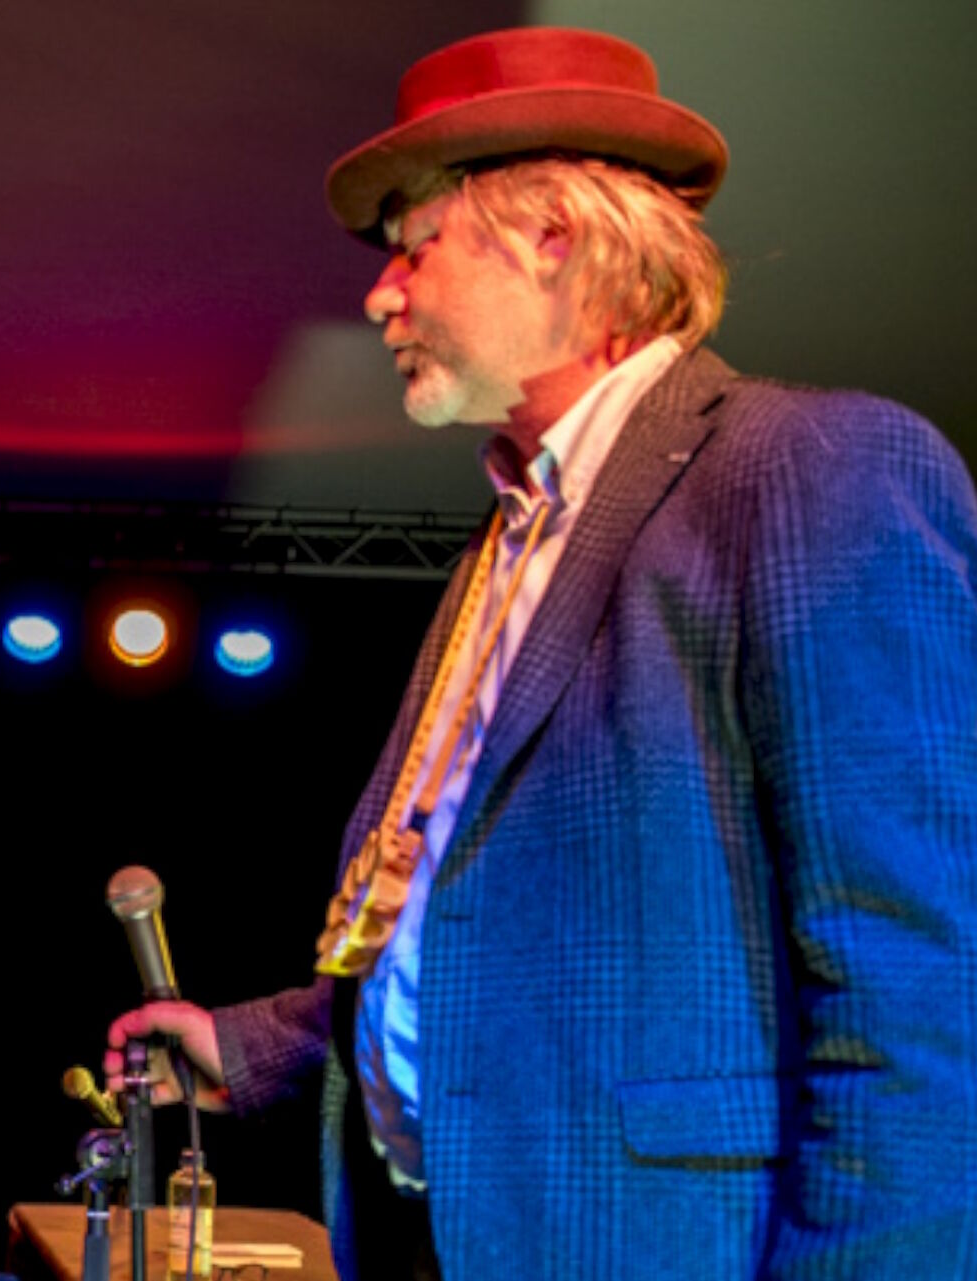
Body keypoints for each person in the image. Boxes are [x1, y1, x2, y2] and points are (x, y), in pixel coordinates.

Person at [106, 26, 977, 1281]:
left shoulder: (811, 470)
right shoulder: (503, 548)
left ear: (553, 240)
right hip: (435, 1236)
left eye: (416, 247)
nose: (380, 293)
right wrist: (257, 1049)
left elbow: (920, 997)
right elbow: (491, 935)